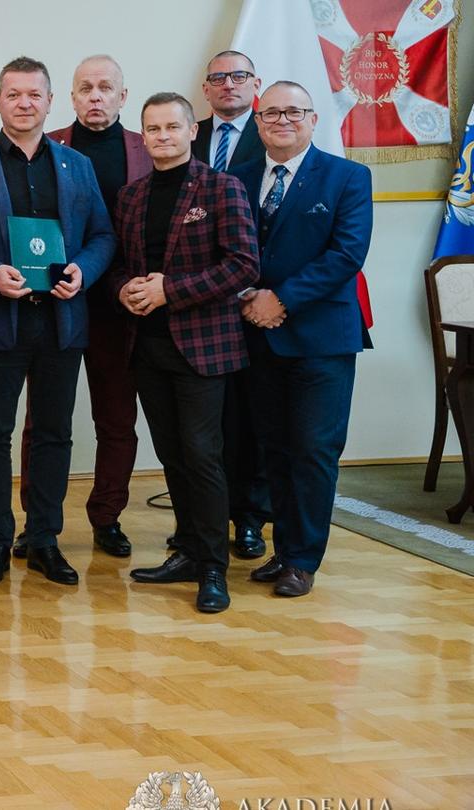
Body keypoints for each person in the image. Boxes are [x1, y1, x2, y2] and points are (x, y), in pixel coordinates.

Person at [0, 56, 115, 589]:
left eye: (34, 95)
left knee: (55, 434)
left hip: (61, 321)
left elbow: (103, 237)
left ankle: (43, 539)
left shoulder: (76, 166)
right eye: (13, 94)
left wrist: (83, 271)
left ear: (49, 101)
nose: (24, 104)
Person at [109, 92, 259, 614]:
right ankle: (189, 551)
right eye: (153, 129)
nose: (163, 136)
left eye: (173, 126)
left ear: (190, 131)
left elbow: (243, 265)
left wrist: (170, 290)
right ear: (143, 135)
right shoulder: (130, 196)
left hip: (204, 349)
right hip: (147, 348)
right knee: (172, 455)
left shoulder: (223, 188)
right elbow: (121, 265)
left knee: (203, 456)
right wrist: (126, 288)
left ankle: (214, 567)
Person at [232, 81, 373, 598]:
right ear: (258, 121)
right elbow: (227, 247)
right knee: (274, 450)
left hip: (322, 340)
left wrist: (281, 300)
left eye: (293, 111)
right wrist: (250, 295)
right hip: (257, 338)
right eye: (270, 114)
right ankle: (284, 549)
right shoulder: (238, 178)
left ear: (313, 120)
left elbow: (345, 256)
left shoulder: (348, 178)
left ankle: (303, 560)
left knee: (313, 450)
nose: (282, 120)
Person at [25, 54, 152, 560]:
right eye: (85, 88)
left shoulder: (149, 149)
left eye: (105, 87)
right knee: (42, 420)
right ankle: (37, 524)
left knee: (117, 419)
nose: (95, 96)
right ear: (70, 98)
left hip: (120, 308)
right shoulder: (47, 147)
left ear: (124, 96)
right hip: (55, 304)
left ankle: (107, 516)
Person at [193, 49, 271, 559]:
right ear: (206, 88)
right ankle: (204, 523)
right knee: (209, 426)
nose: (228, 86)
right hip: (201, 308)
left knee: (252, 417)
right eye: (218, 78)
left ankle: (250, 517)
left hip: (253, 303)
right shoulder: (188, 134)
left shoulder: (274, 132)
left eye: (238, 76)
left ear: (255, 83)